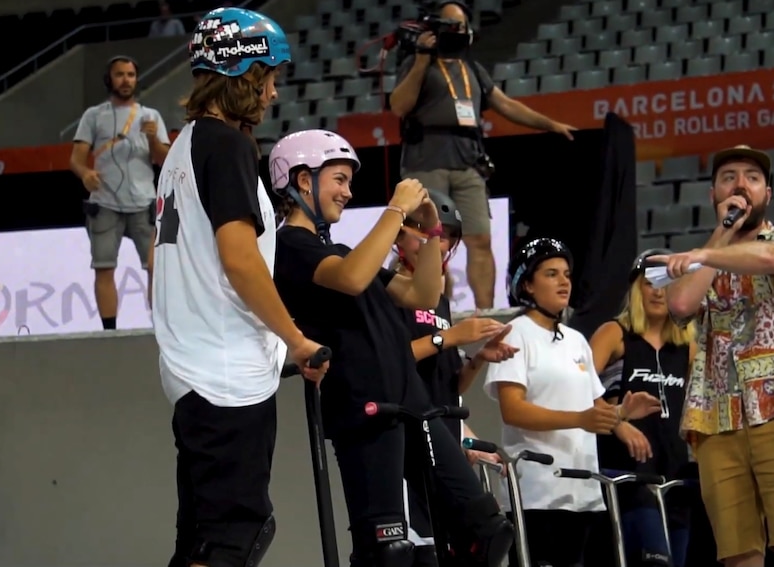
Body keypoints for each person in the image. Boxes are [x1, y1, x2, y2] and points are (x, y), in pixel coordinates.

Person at [270, 129, 515, 567]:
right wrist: (395, 209)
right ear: (303, 180)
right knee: (388, 550)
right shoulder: (289, 246)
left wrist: (431, 231)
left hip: (414, 407)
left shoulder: (344, 250)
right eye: (339, 179)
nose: (347, 192)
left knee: (487, 528)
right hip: (365, 410)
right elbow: (350, 278)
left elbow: (421, 294)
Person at [150, 8, 328, 567]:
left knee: (202, 539)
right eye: (269, 75)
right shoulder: (226, 146)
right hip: (225, 376)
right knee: (237, 533)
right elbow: (240, 259)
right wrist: (296, 339)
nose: (273, 91)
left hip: (192, 369)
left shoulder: (182, 147)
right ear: (244, 72)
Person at [388, 0, 576, 312]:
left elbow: (506, 104)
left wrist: (550, 124)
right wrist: (421, 59)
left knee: (480, 239)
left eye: (460, 25)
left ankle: (486, 310)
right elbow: (399, 106)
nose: (456, 31)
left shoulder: (472, 69)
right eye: (449, 24)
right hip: (427, 162)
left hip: (468, 163)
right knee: (422, 241)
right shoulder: (417, 64)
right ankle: (419, 306)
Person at [483, 237, 661, 567]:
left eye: (566, 273)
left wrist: (621, 415)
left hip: (584, 493)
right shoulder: (514, 333)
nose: (564, 281)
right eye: (551, 273)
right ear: (527, 285)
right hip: (537, 493)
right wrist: (581, 419)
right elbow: (513, 410)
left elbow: (593, 408)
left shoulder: (576, 339)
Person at [648, 145, 774, 567]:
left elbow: (766, 257)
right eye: (729, 177)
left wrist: (702, 255)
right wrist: (716, 238)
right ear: (714, 195)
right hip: (717, 416)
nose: (740, 184)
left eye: (752, 177)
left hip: (772, 410)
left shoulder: (769, 243)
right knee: (738, 550)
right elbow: (681, 304)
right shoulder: (705, 255)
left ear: (767, 194)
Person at [392, 188, 518, 566]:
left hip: (443, 438)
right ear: (398, 235)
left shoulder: (441, 302)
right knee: (424, 552)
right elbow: (389, 363)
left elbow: (449, 388)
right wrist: (447, 337)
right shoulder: (389, 292)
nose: (439, 242)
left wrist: (476, 359)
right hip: (408, 443)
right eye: (427, 231)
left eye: (447, 235)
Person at [589, 249, 696, 567]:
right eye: (651, 282)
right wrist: (618, 422)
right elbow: (578, 387)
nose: (659, 291)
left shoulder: (686, 347)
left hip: (675, 476)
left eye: (667, 283)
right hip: (628, 476)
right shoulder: (615, 334)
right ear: (637, 288)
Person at [69, 54, 171, 330]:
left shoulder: (151, 116)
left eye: (130, 74)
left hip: (144, 202)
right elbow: (76, 159)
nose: (126, 80)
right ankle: (109, 331)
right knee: (103, 267)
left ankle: (161, 328)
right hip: (104, 202)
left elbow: (165, 160)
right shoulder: (94, 116)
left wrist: (152, 137)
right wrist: (86, 173)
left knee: (156, 268)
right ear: (109, 79)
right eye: (120, 74)